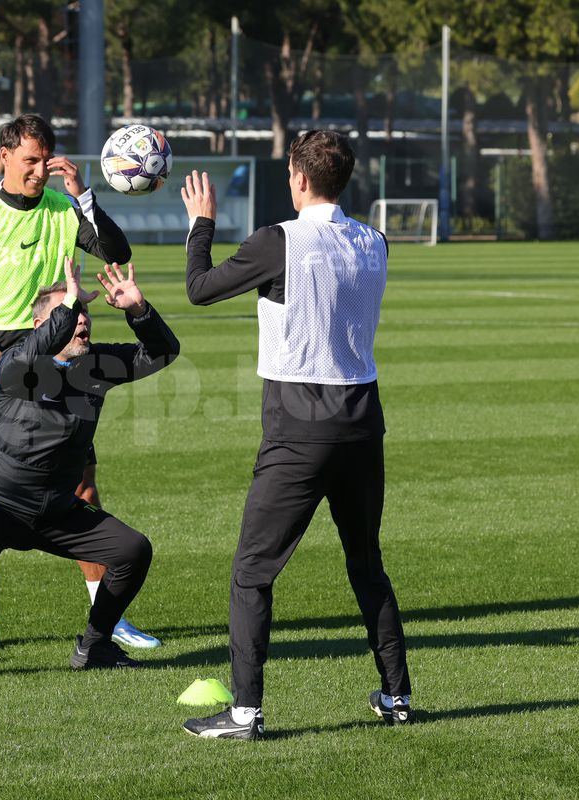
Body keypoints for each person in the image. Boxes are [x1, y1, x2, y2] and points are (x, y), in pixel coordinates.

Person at [179, 131, 415, 740]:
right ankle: (397, 696)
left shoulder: (277, 239)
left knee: (252, 572)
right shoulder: (376, 240)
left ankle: (244, 714)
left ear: (299, 178)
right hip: (364, 422)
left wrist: (201, 224)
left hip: (298, 425)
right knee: (367, 564)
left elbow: (199, 289)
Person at [0, 113, 163, 653]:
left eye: (47, 159)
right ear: (4, 159)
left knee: (81, 485)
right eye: (30, 160)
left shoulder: (65, 209)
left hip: (61, 359)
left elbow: (117, 254)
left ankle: (103, 615)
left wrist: (84, 197)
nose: (40, 170)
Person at [0, 257, 179, 682]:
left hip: (54, 509)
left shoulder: (96, 366)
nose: (82, 322)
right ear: (43, 325)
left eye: (85, 315)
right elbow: (12, 364)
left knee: (132, 550)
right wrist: (66, 307)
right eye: (71, 315)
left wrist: (139, 311)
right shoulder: (18, 364)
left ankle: (95, 645)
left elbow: (162, 353)